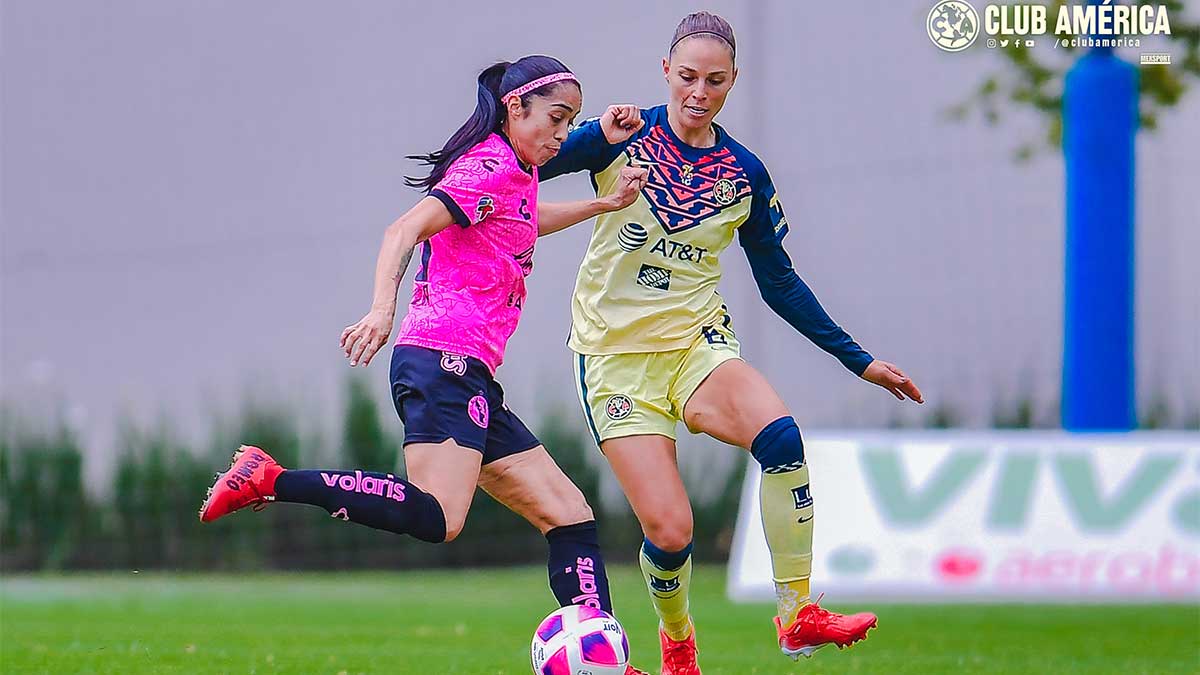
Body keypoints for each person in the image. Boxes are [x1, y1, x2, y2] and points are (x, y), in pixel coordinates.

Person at [198, 55, 650, 674]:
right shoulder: (489, 164)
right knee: (438, 517)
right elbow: (402, 230)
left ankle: (604, 662)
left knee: (570, 517)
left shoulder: (516, 173)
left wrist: (600, 207)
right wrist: (382, 310)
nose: (561, 135)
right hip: (442, 360)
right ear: (516, 107)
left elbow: (524, 219)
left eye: (570, 122)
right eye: (556, 119)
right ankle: (272, 479)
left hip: (470, 373)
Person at [539, 13, 924, 673]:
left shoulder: (744, 172)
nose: (698, 92)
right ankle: (679, 643)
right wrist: (456, 207)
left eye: (714, 81)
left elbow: (779, 283)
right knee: (672, 531)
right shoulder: (616, 137)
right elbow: (526, 167)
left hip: (696, 344)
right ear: (666, 72)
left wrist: (858, 360)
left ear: (732, 82)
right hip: (614, 361)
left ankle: (798, 613)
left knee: (780, 437)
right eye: (687, 76)